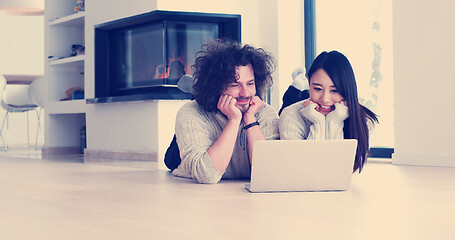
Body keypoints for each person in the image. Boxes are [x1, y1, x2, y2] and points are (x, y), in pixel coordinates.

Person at [168, 39, 279, 184]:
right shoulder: (190, 112)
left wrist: (250, 120)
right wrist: (233, 120)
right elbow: (207, 175)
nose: (245, 93)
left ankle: (198, 89)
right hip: (182, 153)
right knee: (170, 159)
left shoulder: (265, 112)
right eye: (235, 85)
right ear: (216, 86)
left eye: (250, 83)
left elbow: (269, 173)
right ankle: (199, 91)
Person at [279, 50, 378, 173]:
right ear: (309, 83)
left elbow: (339, 171)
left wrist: (334, 121)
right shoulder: (290, 116)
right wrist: (318, 122)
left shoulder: (364, 120)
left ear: (347, 90)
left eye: (334, 90)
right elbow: (304, 171)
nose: (325, 99)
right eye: (317, 89)